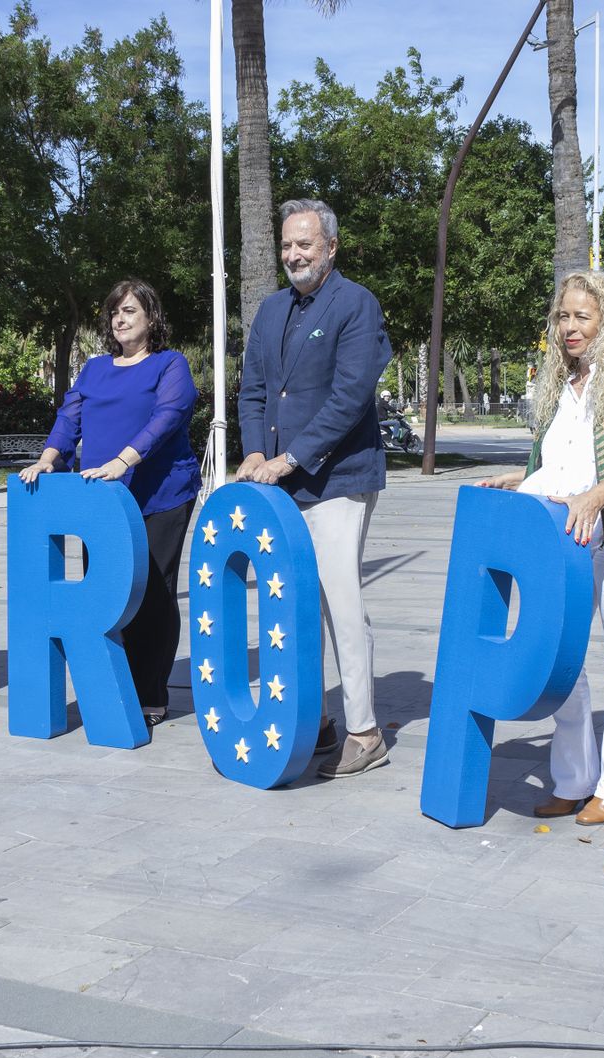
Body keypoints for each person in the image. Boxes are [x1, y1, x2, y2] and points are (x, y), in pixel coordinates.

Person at [475, 271, 604, 826]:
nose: (569, 327)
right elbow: (554, 467)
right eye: (563, 316)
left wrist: (593, 497)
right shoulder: (554, 384)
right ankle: (573, 780)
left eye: (581, 316)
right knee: (560, 665)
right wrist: (520, 484)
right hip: (558, 543)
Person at [237, 198, 394, 778]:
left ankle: (365, 730)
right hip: (279, 483)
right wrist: (256, 451)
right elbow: (253, 389)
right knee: (295, 603)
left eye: (304, 244)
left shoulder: (356, 304)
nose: (293, 254)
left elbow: (350, 398)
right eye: (286, 245)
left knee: (341, 603)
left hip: (337, 480)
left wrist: (291, 458)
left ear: (331, 247)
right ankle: (315, 717)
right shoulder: (271, 309)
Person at [20, 280, 201, 728]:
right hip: (100, 501)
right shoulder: (95, 369)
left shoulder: (169, 364)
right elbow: (70, 416)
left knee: (153, 594)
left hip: (160, 496)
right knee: (106, 593)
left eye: (131, 312)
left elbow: (169, 416)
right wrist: (48, 459)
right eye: (115, 313)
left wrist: (125, 459)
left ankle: (150, 694)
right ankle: (112, 683)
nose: (120, 320)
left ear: (152, 319)